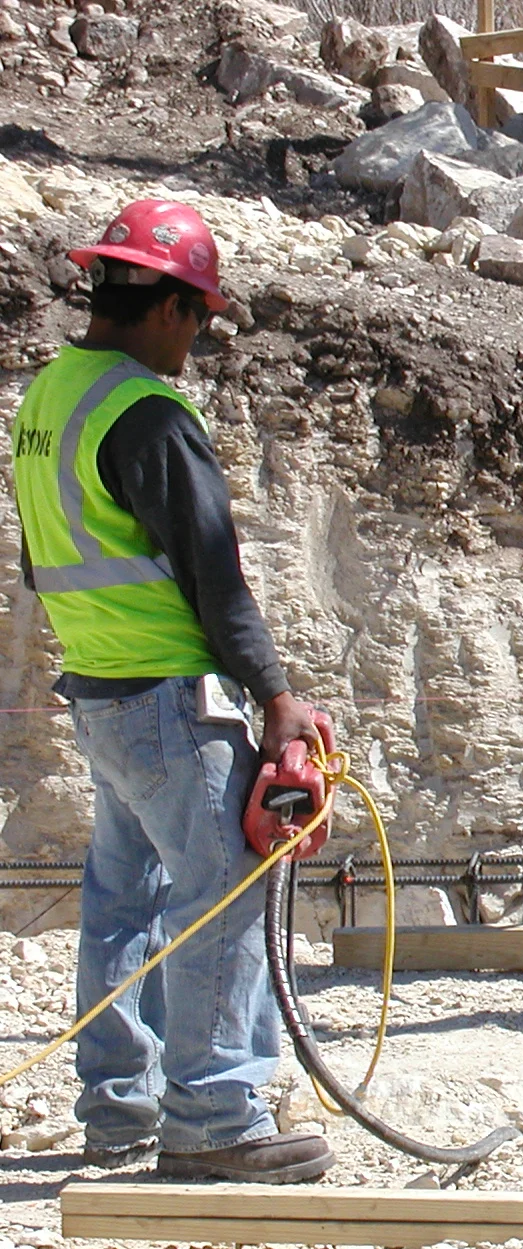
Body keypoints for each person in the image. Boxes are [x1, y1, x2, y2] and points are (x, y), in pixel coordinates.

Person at [9, 200, 332, 1182]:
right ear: (170, 308)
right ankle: (213, 1116)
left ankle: (121, 1107)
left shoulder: (48, 401)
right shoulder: (145, 413)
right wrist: (276, 699)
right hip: (167, 698)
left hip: (99, 692)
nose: (196, 341)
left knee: (123, 902)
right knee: (222, 893)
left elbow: (39, 564)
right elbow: (215, 577)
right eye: (199, 318)